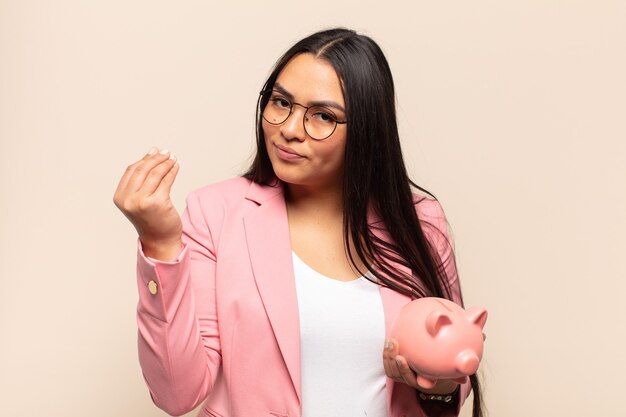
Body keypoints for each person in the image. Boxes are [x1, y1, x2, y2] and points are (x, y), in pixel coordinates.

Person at [114, 28, 483, 417]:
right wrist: (159, 245)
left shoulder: (421, 222)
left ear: (367, 130)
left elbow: (448, 396)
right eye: (281, 102)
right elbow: (178, 394)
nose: (289, 129)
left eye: (323, 116)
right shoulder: (216, 213)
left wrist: (434, 383)